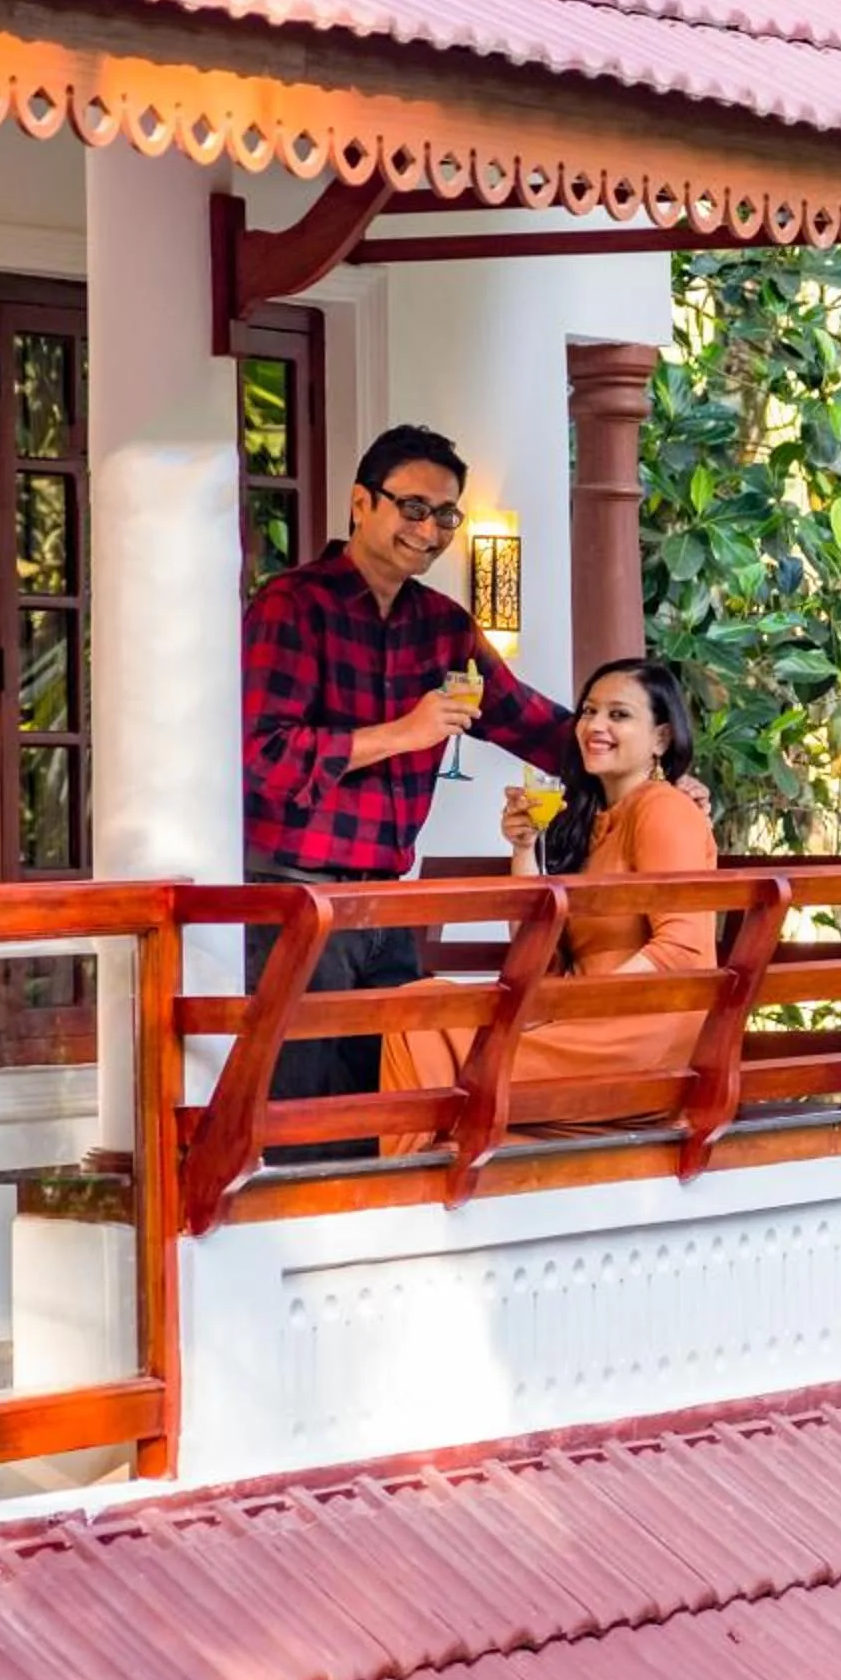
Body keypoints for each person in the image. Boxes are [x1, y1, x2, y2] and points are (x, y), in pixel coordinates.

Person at [241, 425, 585, 1162]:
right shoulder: (291, 606)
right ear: (361, 503)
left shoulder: (443, 626)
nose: (429, 530)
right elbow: (260, 758)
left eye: (446, 515)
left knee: (396, 1120)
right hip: (293, 905)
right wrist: (404, 731)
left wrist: (652, 764)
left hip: (393, 910)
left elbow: (529, 720)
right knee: (303, 1131)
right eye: (412, 508)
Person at [383, 658, 719, 1142]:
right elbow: (540, 956)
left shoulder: (665, 810)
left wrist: (573, 1005)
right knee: (420, 1005)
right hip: (579, 1023)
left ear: (661, 739)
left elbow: (684, 952)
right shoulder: (595, 821)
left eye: (619, 715)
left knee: (424, 1030)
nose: (595, 726)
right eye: (588, 711)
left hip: (636, 1034)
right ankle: (417, 1176)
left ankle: (408, 1186)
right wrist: (523, 850)